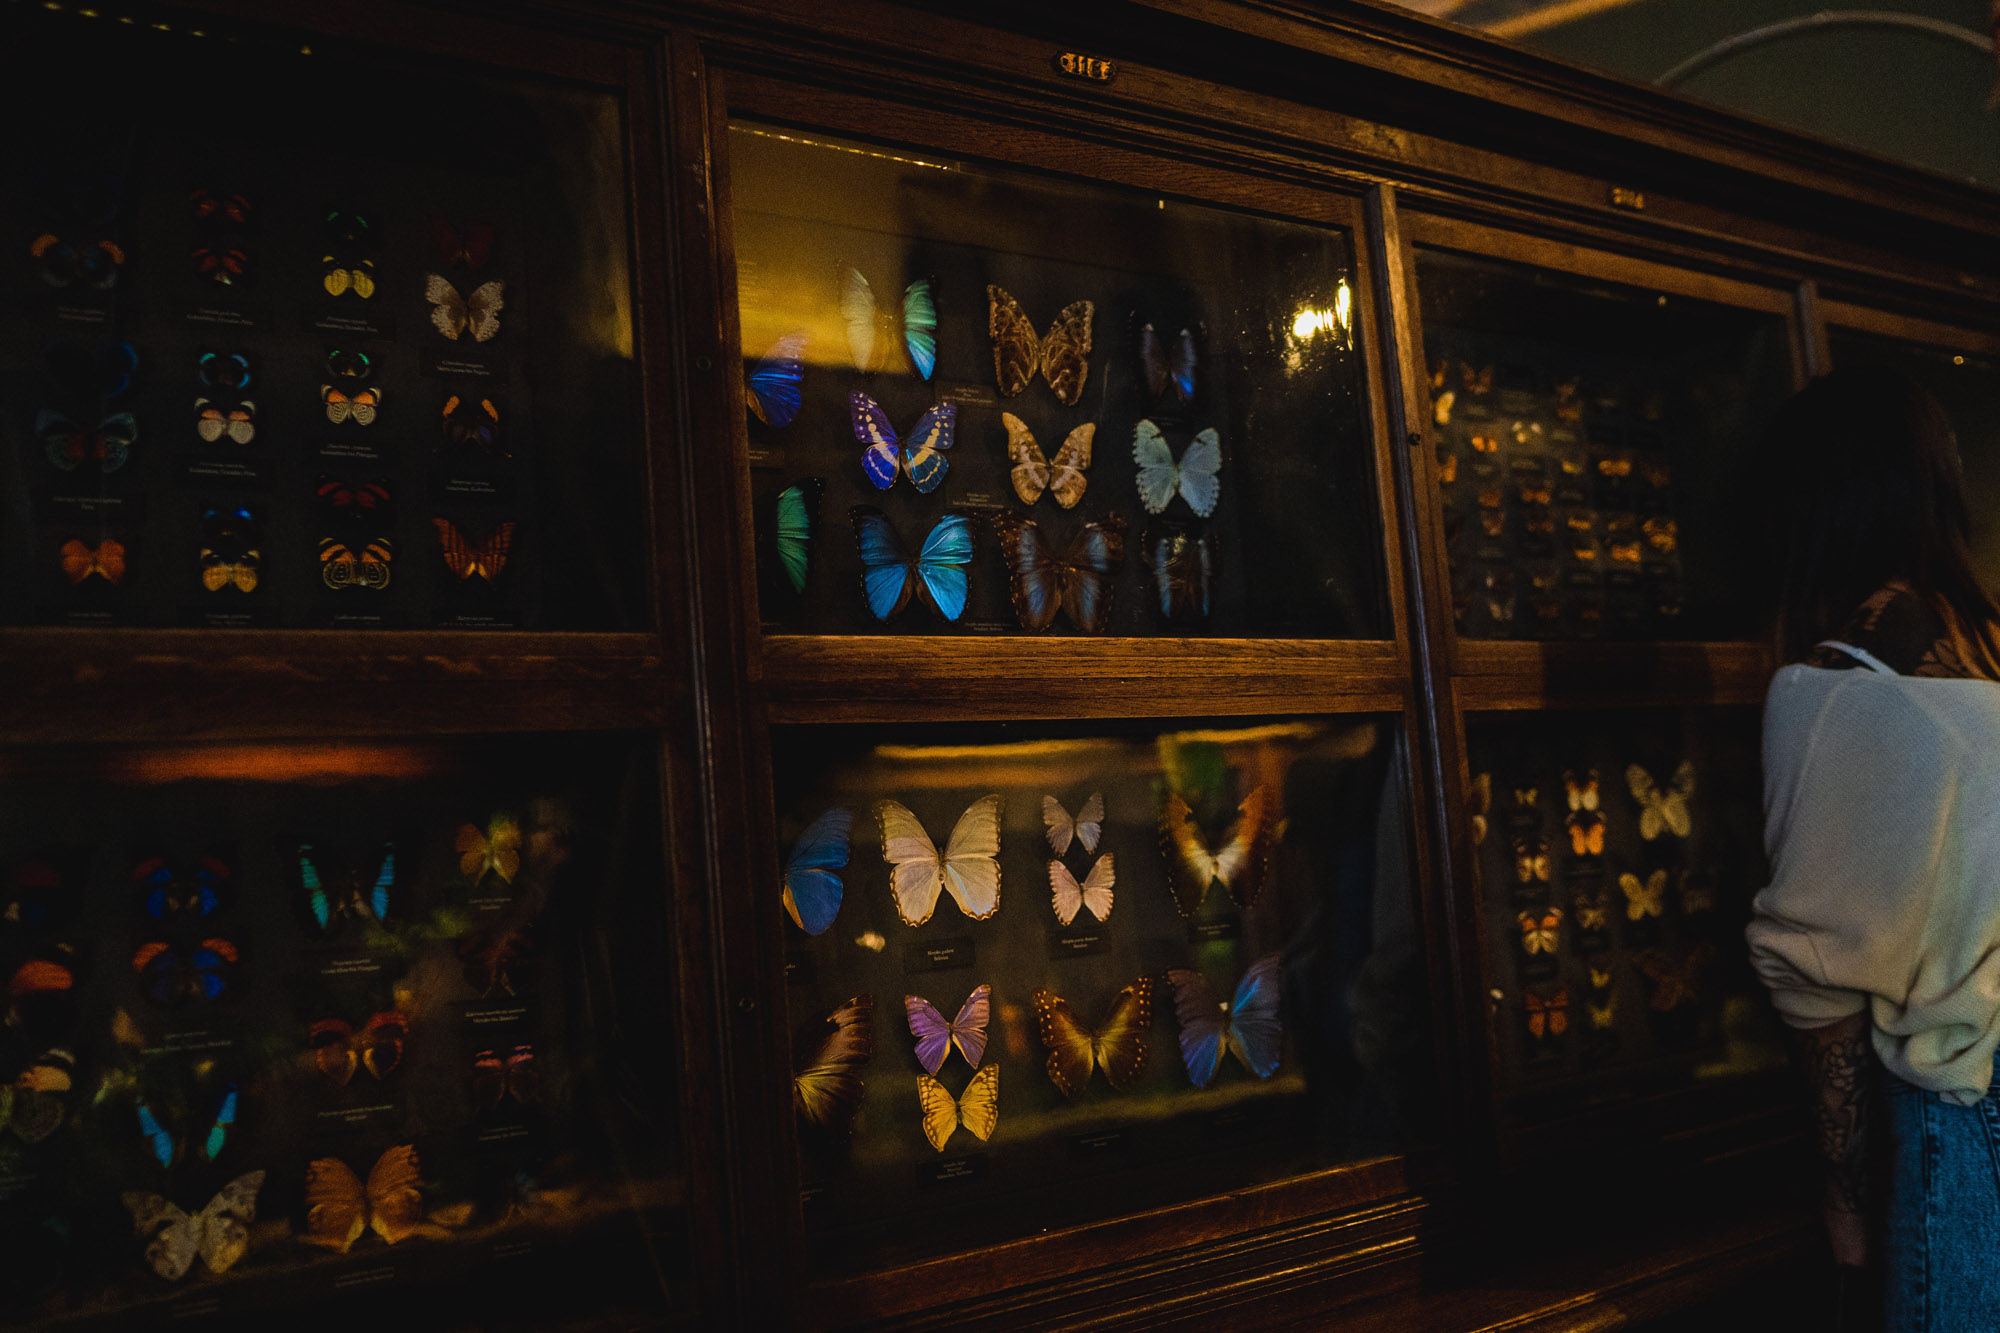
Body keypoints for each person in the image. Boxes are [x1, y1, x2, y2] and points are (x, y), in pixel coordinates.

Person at [1746, 367, 2000, 1332]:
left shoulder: (1832, 693)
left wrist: (1847, 1215)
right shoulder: (1990, 656)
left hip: (1968, 1122)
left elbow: (1824, 1004)